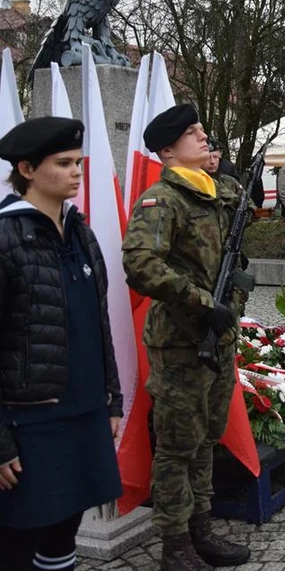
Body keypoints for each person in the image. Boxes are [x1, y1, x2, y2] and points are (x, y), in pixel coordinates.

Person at [122, 104, 251, 569]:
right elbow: (139, 265)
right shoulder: (163, 199)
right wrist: (201, 301)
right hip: (180, 341)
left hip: (217, 337)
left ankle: (201, 528)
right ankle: (174, 545)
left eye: (201, 130)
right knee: (177, 445)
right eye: (192, 133)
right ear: (168, 149)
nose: (203, 138)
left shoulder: (212, 194)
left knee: (205, 439)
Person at [0, 118, 124, 571]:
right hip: (32, 418)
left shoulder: (81, 233)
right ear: (27, 169)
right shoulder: (6, 237)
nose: (76, 171)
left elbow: (98, 323)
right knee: (19, 535)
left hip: (85, 409)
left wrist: (113, 400)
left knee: (64, 530)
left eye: (78, 162)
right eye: (64, 163)